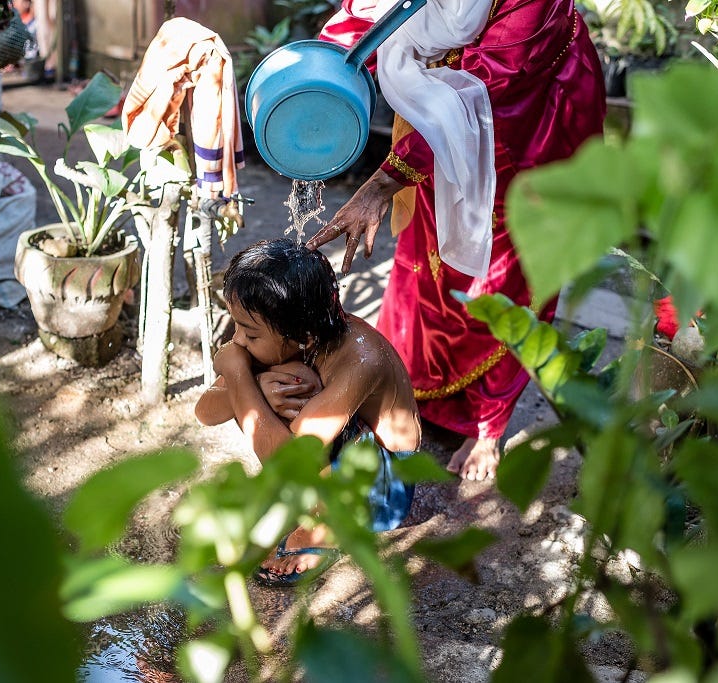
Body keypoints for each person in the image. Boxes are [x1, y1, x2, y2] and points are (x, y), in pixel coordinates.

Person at [305, 0, 607, 480]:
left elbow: (487, 88)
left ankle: (487, 428)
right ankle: (417, 385)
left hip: (530, 122)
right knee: (429, 253)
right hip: (436, 109)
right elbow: (367, 16)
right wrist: (314, 76)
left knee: (507, 269)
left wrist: (385, 182)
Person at [195, 238, 421, 586]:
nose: (238, 341)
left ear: (304, 335)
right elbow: (205, 412)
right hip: (337, 454)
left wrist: (241, 377)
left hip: (384, 488)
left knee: (271, 394)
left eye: (250, 334)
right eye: (236, 326)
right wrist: (252, 385)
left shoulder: (361, 360)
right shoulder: (294, 334)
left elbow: (290, 467)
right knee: (275, 388)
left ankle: (324, 526)